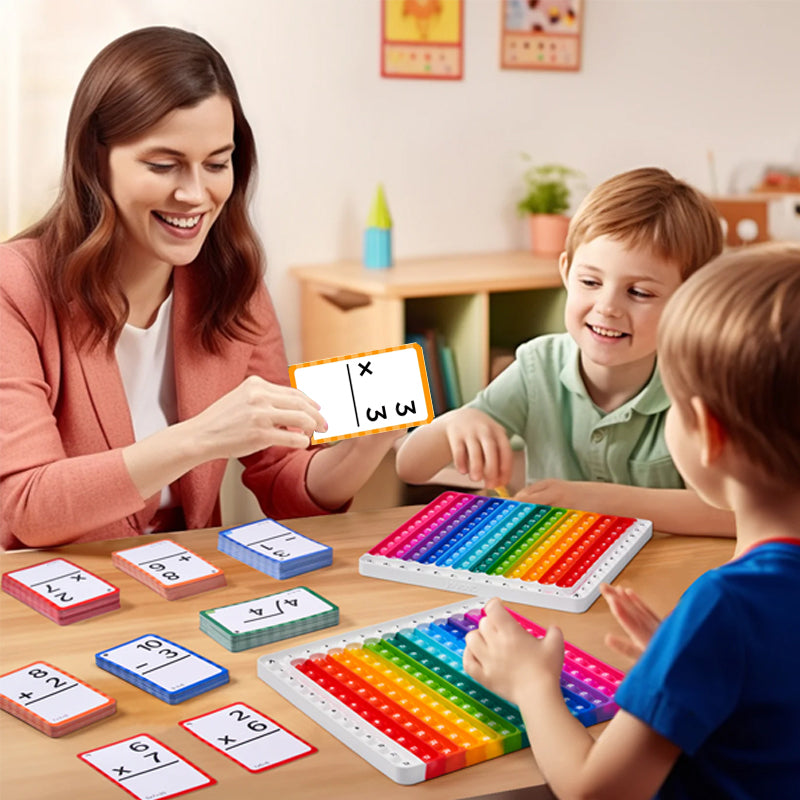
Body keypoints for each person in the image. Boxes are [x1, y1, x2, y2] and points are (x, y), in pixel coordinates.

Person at [0, 27, 403, 550]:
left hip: (184, 587)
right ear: (96, 160)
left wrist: (361, 451)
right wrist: (202, 437)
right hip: (51, 599)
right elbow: (29, 507)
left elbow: (281, 479)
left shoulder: (233, 283)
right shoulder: (16, 286)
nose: (195, 194)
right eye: (163, 165)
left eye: (217, 163)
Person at [462, 243, 800, 799]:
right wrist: (683, 658)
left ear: (707, 434)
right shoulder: (740, 614)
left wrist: (530, 684)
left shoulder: (726, 606)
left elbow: (594, 791)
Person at [396, 167, 734, 536]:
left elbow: (737, 515)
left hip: (664, 581)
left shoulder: (700, 385)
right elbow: (410, 468)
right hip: (551, 571)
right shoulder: (537, 366)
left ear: (692, 299)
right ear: (566, 272)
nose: (607, 307)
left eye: (639, 292)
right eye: (590, 282)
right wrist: (453, 423)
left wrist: (599, 501)